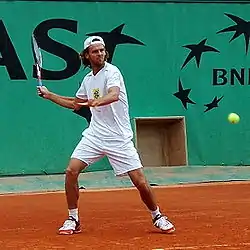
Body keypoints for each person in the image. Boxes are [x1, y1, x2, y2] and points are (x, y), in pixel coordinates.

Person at [37, 36, 175, 235]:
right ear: (86, 55)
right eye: (95, 51)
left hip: (118, 137)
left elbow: (114, 94)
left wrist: (97, 101)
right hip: (95, 134)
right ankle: (73, 218)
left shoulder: (112, 71)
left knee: (140, 182)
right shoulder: (87, 80)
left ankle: (157, 216)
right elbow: (76, 103)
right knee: (71, 171)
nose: (100, 54)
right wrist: (50, 95)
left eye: (102, 50)